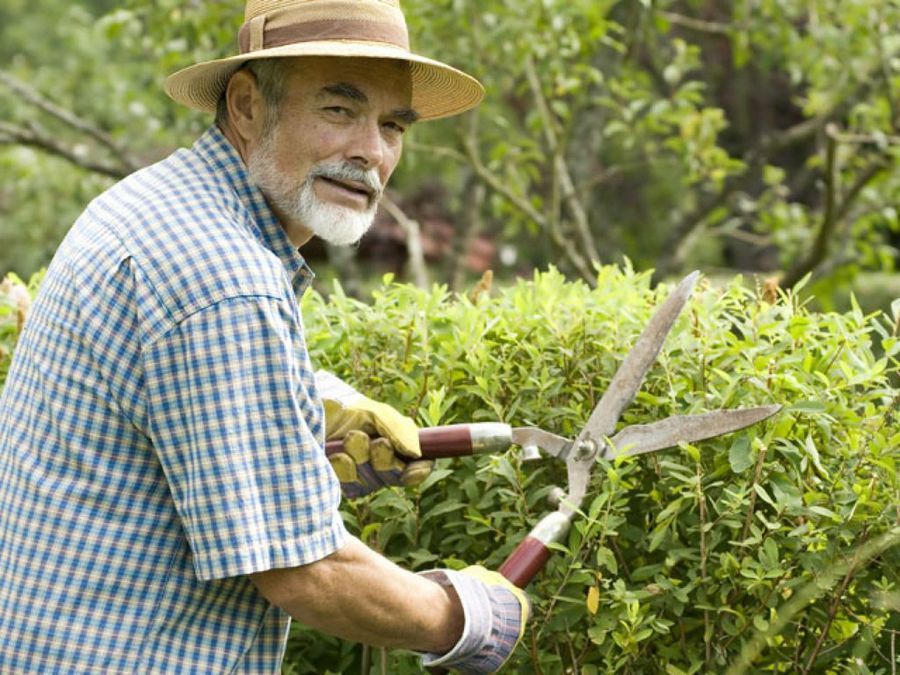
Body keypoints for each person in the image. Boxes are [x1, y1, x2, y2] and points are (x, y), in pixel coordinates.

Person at [0, 0, 529, 672]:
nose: (372, 151)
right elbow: (303, 569)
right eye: (340, 110)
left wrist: (309, 403)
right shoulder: (226, 278)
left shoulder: (154, 202)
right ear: (247, 105)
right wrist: (468, 614)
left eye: (392, 124)